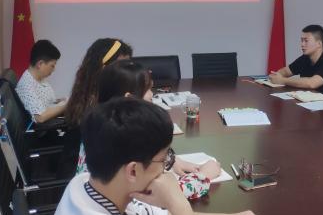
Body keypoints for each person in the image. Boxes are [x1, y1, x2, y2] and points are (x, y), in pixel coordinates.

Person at [41, 98, 264, 215]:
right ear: (133, 171)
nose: (165, 170)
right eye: (163, 160)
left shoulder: (85, 185)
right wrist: (180, 204)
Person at [75, 59, 220, 200]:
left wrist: (171, 160)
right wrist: (204, 176)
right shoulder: (126, 138)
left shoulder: (99, 122)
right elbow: (155, 197)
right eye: (148, 90)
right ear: (129, 98)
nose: (152, 95)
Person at [65, 38, 133, 126]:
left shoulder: (84, 98)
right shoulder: (98, 105)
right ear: (103, 68)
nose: (128, 72)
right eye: (123, 66)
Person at [268, 24, 323, 102]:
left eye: (306, 41)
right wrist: (277, 76)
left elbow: (312, 83)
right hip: (310, 103)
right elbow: (285, 71)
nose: (302, 44)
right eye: (302, 40)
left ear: (319, 44)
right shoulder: (305, 58)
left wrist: (282, 80)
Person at [16, 39, 67, 123]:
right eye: (52, 66)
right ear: (40, 64)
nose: (54, 69)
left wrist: (60, 101)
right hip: (45, 129)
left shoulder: (40, 79)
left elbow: (46, 102)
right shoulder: (26, 85)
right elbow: (40, 117)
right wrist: (66, 105)